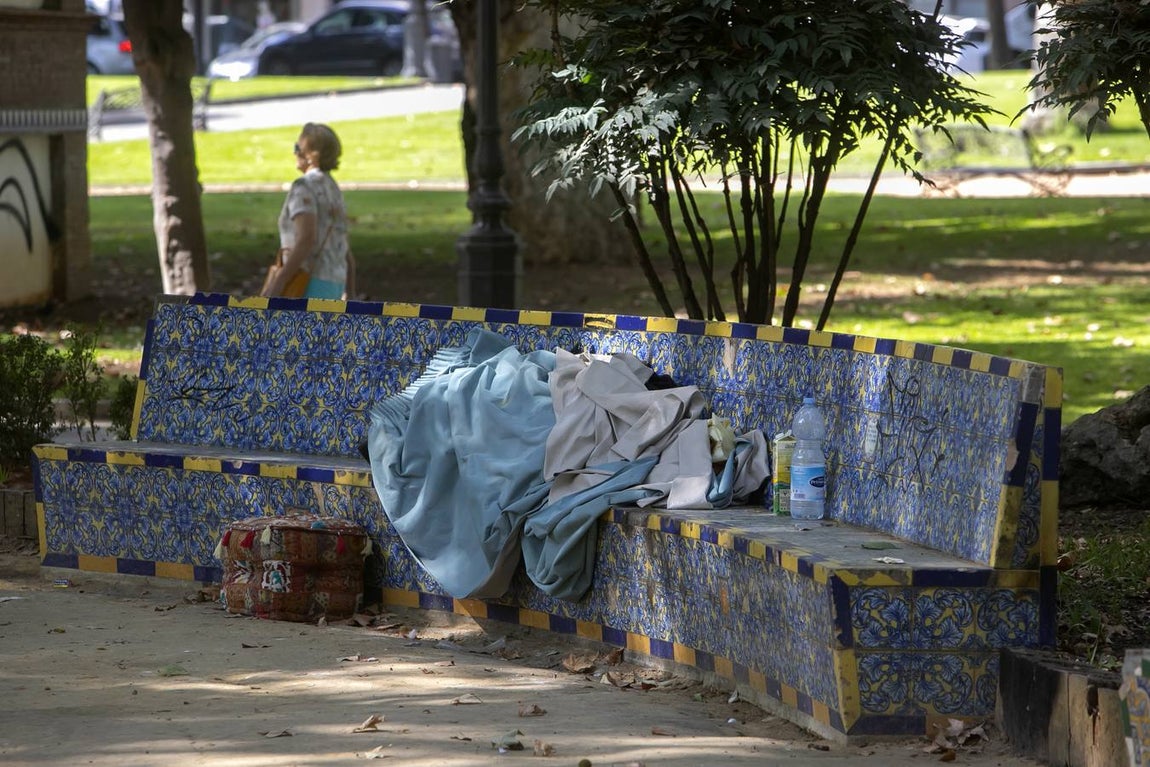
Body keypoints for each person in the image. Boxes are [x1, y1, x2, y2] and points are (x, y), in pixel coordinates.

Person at [262, 122, 355, 300]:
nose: (294, 153)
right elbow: (343, 243)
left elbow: (306, 239)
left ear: (312, 156)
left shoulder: (303, 187)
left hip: (307, 281)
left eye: (297, 147)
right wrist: (350, 292)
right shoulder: (333, 188)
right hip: (335, 280)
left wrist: (279, 282)